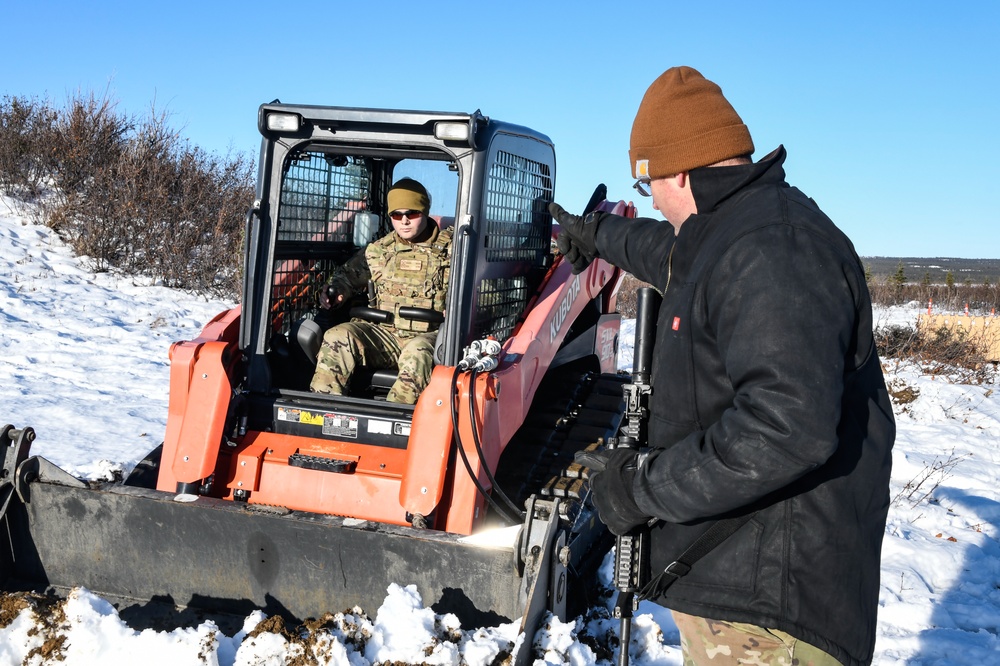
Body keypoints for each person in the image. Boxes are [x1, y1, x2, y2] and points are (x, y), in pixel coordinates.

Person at [552, 67, 895, 666]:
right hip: (744, 593)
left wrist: (640, 488)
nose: (653, 197)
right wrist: (599, 235)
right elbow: (667, 252)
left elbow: (785, 428)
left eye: (649, 181)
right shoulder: (730, 235)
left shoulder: (773, 249)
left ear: (679, 169)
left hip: (773, 617)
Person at [310, 178, 452, 404]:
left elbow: (484, 291)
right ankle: (325, 412)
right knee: (337, 336)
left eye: (412, 213)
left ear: (425, 212)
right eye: (397, 215)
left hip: (430, 336)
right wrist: (336, 290)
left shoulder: (452, 251)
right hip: (384, 334)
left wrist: (458, 311)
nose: (404, 221)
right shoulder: (378, 251)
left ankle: (391, 421)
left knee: (417, 352)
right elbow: (346, 276)